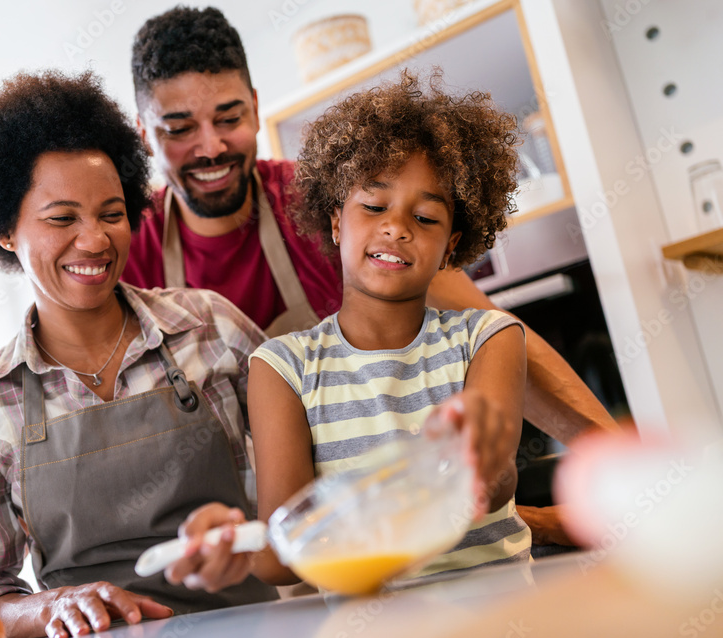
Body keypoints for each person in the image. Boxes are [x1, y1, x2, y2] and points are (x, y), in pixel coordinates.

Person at [122, 6, 617, 546]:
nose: (211, 146)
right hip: (247, 543)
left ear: (257, 109)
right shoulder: (131, 250)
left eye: (229, 118)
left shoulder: (323, 207)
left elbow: (491, 332)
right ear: (144, 133)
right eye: (179, 129)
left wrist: (623, 467)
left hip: (383, 524)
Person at [0, 69, 277, 638]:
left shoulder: (211, 327)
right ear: (4, 230)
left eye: (112, 214)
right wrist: (49, 607)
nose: (95, 239)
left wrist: (255, 538)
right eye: (62, 218)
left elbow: (314, 484)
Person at [165, 72, 531, 592]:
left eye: (426, 218)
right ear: (336, 221)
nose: (396, 227)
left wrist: (476, 455)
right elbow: (283, 550)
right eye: (374, 206)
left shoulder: (489, 337)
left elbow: (493, 486)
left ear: (452, 246)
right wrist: (236, 547)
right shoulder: (281, 367)